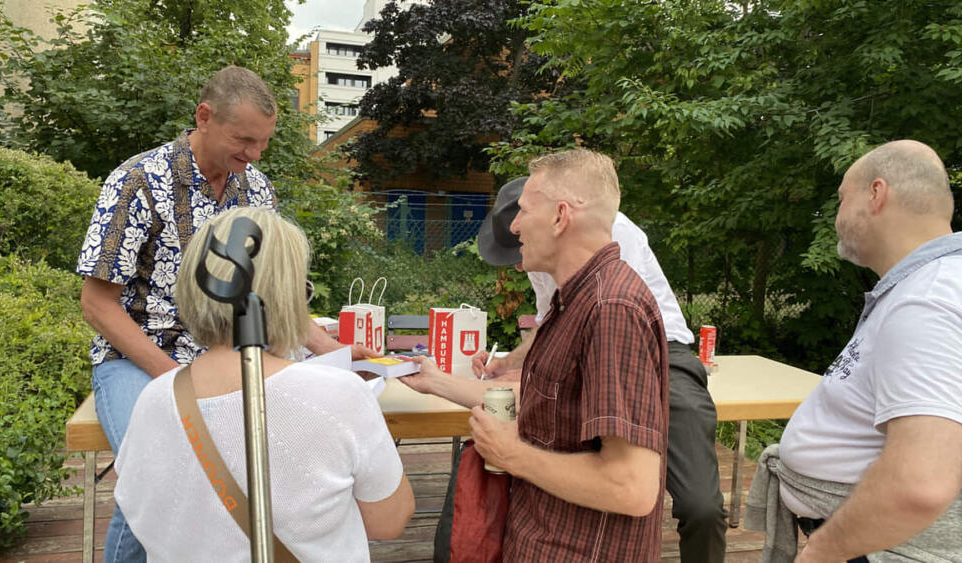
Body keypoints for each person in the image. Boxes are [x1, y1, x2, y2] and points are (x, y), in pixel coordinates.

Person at [75, 65, 371, 562]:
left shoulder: (256, 189)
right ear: (204, 117)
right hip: (137, 359)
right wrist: (178, 384)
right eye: (244, 140)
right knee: (154, 474)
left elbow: (273, 294)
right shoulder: (136, 181)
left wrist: (333, 351)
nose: (254, 155)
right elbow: (97, 304)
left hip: (232, 355)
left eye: (263, 143)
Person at [402, 149, 670, 560]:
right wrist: (434, 380)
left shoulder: (611, 307)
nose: (514, 226)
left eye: (524, 210)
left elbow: (630, 487)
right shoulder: (573, 302)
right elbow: (543, 403)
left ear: (560, 217)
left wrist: (511, 454)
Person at [113, 207, 415, 561]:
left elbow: (136, 508)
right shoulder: (339, 395)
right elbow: (389, 521)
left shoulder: (154, 398)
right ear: (286, 298)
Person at [473, 176, 728, 562]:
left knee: (700, 505)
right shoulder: (540, 249)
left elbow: (617, 320)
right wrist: (511, 362)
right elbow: (550, 320)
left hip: (662, 353)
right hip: (585, 352)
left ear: (555, 218)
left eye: (520, 238)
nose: (519, 262)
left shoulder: (609, 233)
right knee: (571, 475)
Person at [749, 140, 962, 561]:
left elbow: (920, 483)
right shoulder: (927, 286)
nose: (836, 217)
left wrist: (823, 551)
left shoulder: (926, 301)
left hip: (870, 549)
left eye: (842, 199)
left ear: (876, 194)